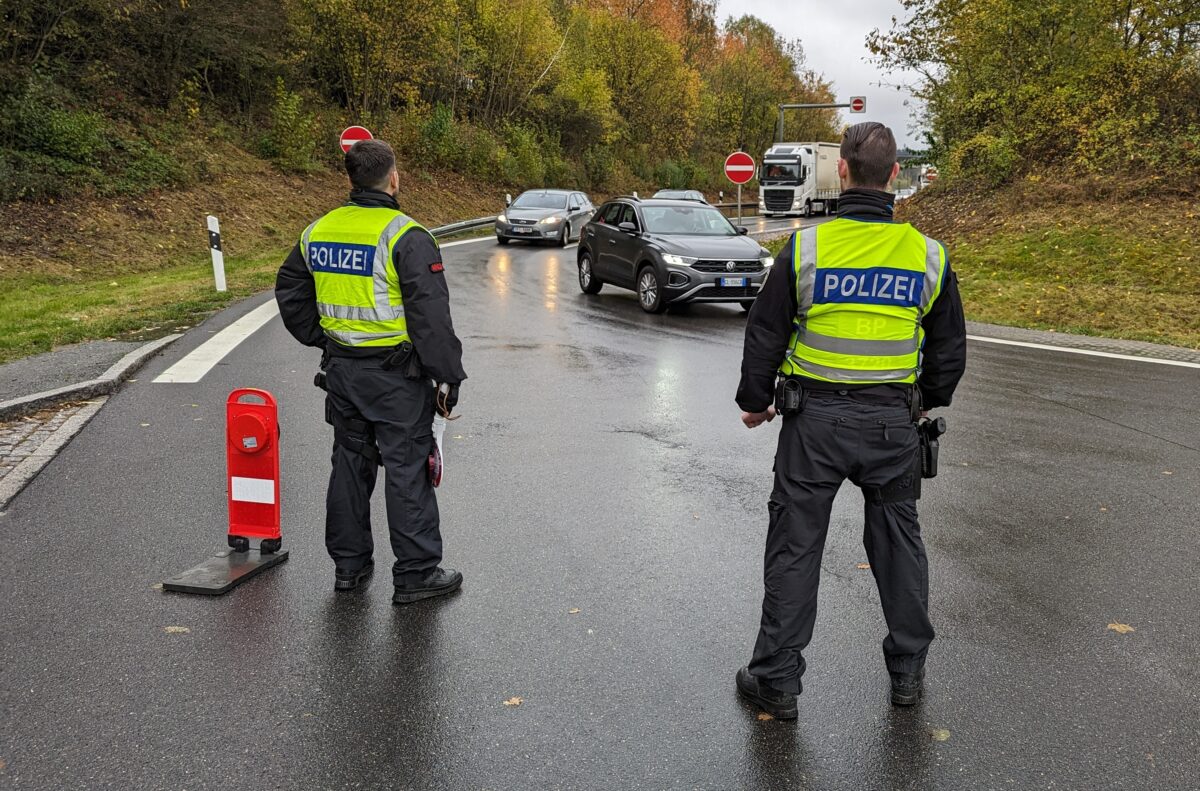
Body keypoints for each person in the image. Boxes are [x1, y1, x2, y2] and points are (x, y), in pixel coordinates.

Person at [734, 122, 966, 718]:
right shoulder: (929, 256)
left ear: (842, 171)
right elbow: (948, 349)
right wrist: (926, 397)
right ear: (895, 178)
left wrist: (755, 400)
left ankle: (777, 682)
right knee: (898, 546)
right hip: (893, 425)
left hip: (813, 425)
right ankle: (908, 674)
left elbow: (766, 330)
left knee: (795, 546)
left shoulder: (808, 249)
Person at [275, 139, 467, 604]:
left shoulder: (318, 231)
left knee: (349, 464)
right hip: (396, 380)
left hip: (342, 374)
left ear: (350, 179)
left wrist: (323, 339)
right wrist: (448, 378)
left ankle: (349, 567)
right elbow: (431, 318)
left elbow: (290, 291)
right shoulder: (407, 236)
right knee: (406, 470)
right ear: (393, 178)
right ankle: (417, 574)